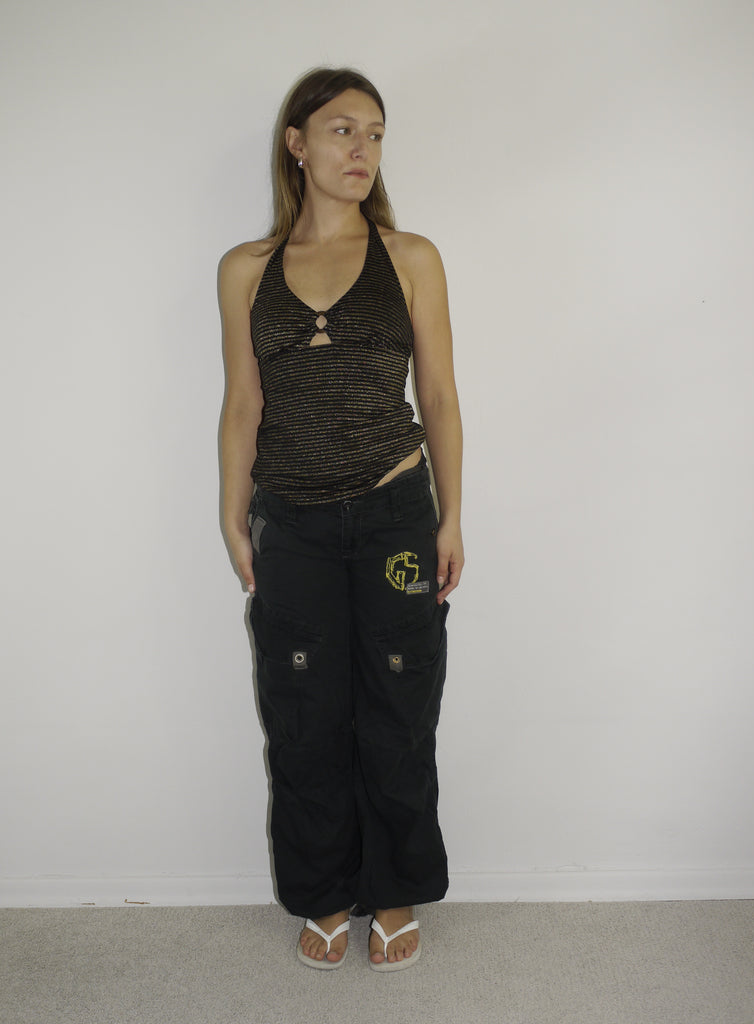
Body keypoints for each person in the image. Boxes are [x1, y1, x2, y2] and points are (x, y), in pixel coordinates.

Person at [218, 67, 463, 972]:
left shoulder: (411, 257)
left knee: (399, 707)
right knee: (303, 713)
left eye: (376, 134)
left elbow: (438, 394)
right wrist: (232, 514)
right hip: (292, 523)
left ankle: (394, 890)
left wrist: (451, 516)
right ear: (297, 143)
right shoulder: (246, 270)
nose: (363, 149)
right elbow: (243, 403)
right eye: (343, 130)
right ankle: (323, 894)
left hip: (396, 511)